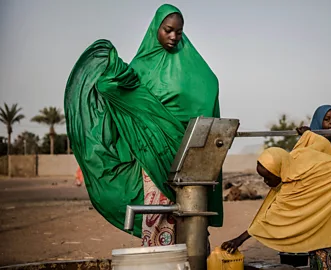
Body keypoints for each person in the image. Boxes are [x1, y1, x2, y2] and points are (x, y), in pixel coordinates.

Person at [65, 4, 222, 247]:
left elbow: (208, 91)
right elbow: (124, 98)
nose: (173, 37)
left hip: (191, 158)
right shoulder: (139, 68)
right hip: (152, 158)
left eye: (179, 32)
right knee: (160, 216)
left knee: (193, 218)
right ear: (155, 30)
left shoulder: (194, 66)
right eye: (168, 30)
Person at [222, 127, 331, 270]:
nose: (265, 182)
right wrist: (307, 134)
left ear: (279, 170)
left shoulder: (292, 188)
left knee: (319, 232)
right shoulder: (296, 155)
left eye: (268, 178)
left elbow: (267, 221)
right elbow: (320, 142)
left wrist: (238, 240)